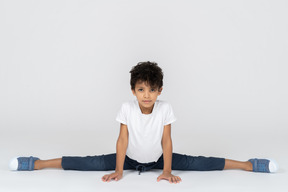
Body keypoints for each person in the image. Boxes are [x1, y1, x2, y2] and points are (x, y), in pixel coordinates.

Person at [9, 62, 279, 184]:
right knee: (86, 162)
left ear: (160, 91)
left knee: (201, 162)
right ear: (133, 91)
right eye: (141, 89)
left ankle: (249, 164)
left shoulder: (165, 109)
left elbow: (166, 141)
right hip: (127, 159)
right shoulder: (127, 108)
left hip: (160, 159)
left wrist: (167, 170)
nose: (146, 95)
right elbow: (122, 140)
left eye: (152, 89)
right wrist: (118, 169)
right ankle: (36, 162)